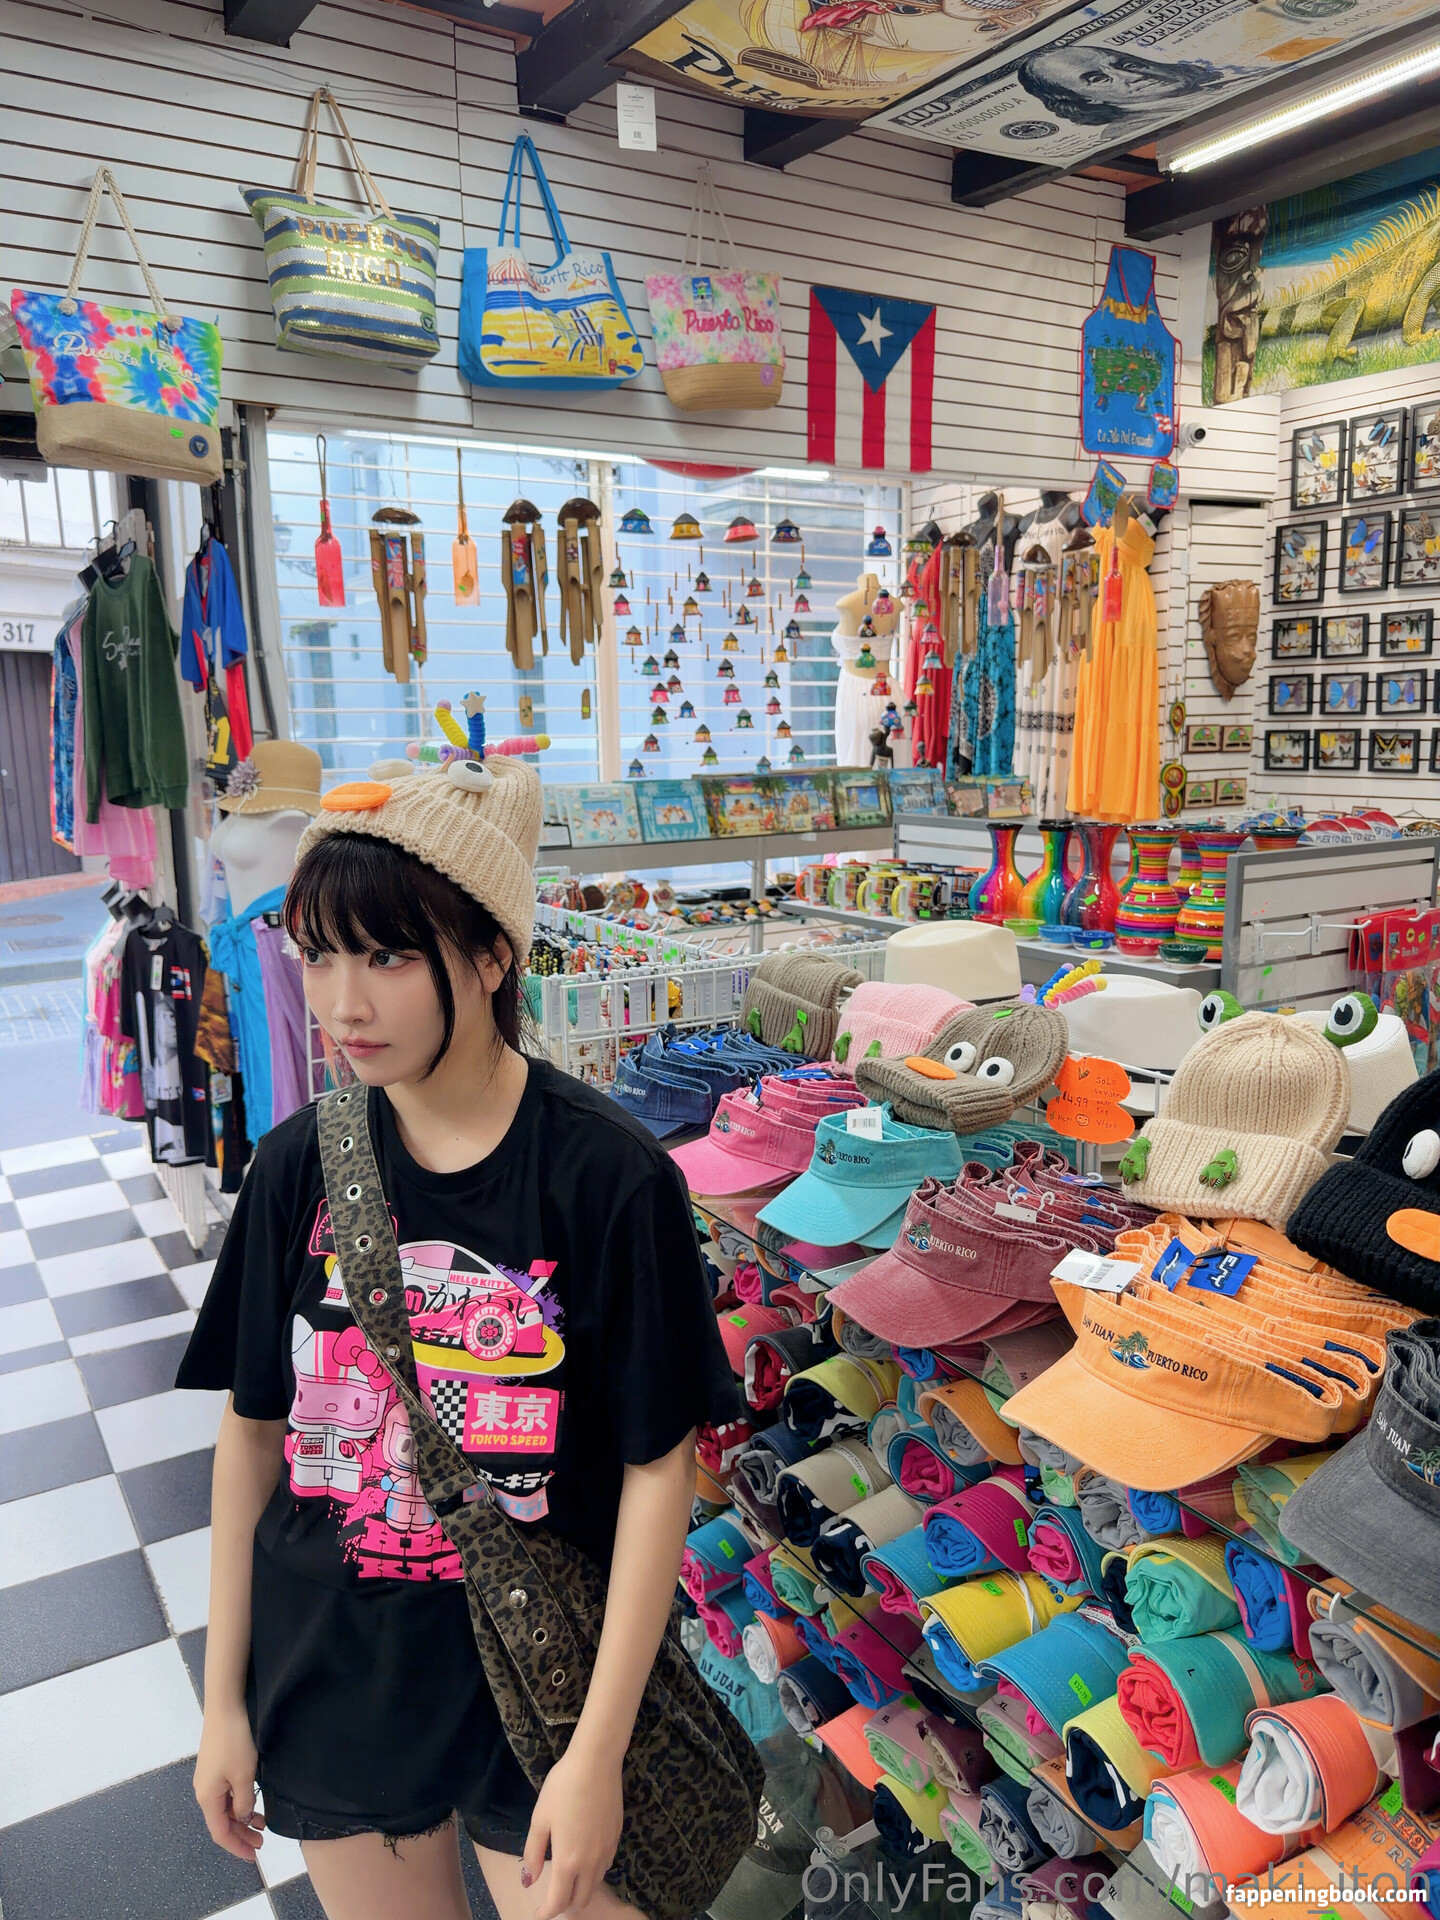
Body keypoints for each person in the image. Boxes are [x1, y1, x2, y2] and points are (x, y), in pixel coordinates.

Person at [177, 755, 743, 1920]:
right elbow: (251, 1434)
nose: (343, 1005)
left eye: (387, 956)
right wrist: (222, 1698)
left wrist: (598, 1751)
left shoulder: (608, 1175)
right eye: (319, 955)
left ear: (491, 956)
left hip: (542, 1681)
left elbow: (657, 1467)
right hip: (334, 1666)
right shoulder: (295, 1166)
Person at [1016, 43, 1241, 130]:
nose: (1131, 75)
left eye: (1127, 64)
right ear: (1085, 99)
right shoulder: (1133, 130)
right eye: (1099, 79)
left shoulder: (1234, 78)